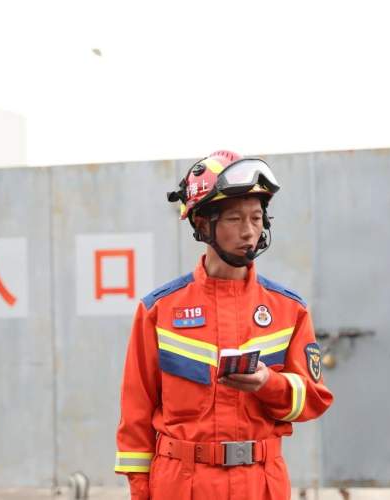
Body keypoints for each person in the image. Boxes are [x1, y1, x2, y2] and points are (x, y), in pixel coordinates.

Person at [114, 150, 334, 499]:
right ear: (203, 224)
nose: (249, 231)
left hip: (260, 484)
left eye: (257, 217)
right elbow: (135, 416)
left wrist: (268, 384)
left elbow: (314, 398)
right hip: (181, 485)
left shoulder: (289, 310)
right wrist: (140, 492)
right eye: (235, 219)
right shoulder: (159, 311)